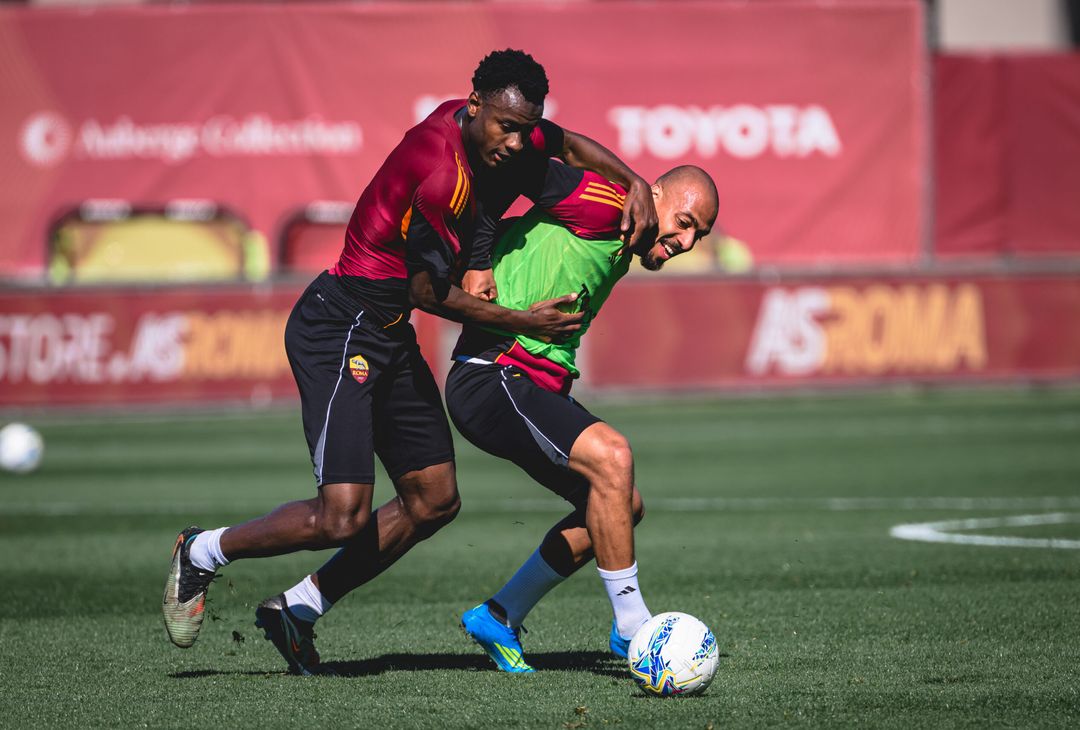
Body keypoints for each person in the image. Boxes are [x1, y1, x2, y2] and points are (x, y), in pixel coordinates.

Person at [161, 49, 658, 675]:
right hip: (340, 325)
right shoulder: (436, 170)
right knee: (341, 515)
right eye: (505, 126)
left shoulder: (495, 130)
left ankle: (299, 609)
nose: (515, 141)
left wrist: (636, 180)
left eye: (523, 128)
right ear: (473, 104)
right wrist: (525, 321)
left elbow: (569, 145)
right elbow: (429, 294)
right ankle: (203, 551)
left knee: (434, 500)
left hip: (390, 335)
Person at [446, 161, 719, 672]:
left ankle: (499, 615)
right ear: (653, 193)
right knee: (613, 456)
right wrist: (477, 260)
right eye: (684, 222)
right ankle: (635, 631)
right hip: (493, 372)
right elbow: (503, 177)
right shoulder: (607, 202)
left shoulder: (625, 242)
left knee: (620, 506)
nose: (686, 242)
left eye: (698, 236)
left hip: (524, 381)